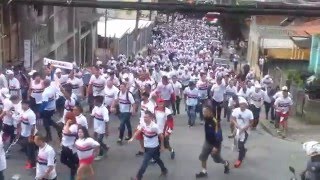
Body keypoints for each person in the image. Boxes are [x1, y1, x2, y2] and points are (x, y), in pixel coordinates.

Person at [129, 110, 167, 180]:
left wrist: (162, 146)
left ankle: (138, 177)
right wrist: (132, 138)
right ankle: (164, 170)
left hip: (153, 148)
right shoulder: (143, 124)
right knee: (157, 159)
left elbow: (161, 136)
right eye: (144, 117)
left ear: (151, 118)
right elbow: (138, 131)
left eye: (146, 117)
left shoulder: (154, 127)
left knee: (144, 163)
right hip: (147, 147)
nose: (145, 119)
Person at [195, 105, 230, 178]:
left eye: (205, 112)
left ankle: (226, 163)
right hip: (207, 142)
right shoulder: (206, 119)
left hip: (215, 144)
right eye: (203, 111)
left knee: (217, 159)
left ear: (210, 112)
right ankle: (204, 171)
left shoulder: (215, 122)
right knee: (203, 156)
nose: (203, 113)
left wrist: (216, 146)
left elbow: (219, 135)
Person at [231, 97, 253, 168]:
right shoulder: (236, 110)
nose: (242, 106)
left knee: (240, 145)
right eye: (241, 104)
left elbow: (251, 122)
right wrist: (236, 125)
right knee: (238, 144)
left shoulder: (249, 112)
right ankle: (244, 150)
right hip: (237, 130)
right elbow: (233, 119)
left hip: (245, 131)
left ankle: (239, 160)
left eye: (243, 104)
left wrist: (243, 129)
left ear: (246, 105)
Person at [16, 100, 37, 169]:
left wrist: (31, 136)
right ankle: (30, 159)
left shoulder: (31, 114)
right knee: (24, 146)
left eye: (24, 104)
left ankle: (33, 164)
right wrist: (18, 130)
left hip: (29, 135)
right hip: (23, 133)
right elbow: (20, 121)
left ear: (28, 105)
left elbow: (33, 126)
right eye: (22, 104)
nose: (22, 106)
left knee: (30, 150)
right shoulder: (23, 112)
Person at [60, 112, 79, 180]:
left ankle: (73, 175)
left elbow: (67, 132)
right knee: (63, 160)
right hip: (65, 145)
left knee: (71, 162)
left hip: (69, 147)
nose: (64, 119)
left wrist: (67, 123)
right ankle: (77, 164)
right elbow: (64, 134)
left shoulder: (74, 126)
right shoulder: (67, 125)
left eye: (66, 118)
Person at [91, 96, 109, 160]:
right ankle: (105, 147)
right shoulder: (95, 108)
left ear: (98, 102)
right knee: (95, 138)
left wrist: (106, 130)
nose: (93, 102)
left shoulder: (104, 110)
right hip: (96, 125)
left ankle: (101, 153)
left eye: (95, 101)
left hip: (102, 126)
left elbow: (106, 121)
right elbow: (92, 115)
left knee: (99, 141)